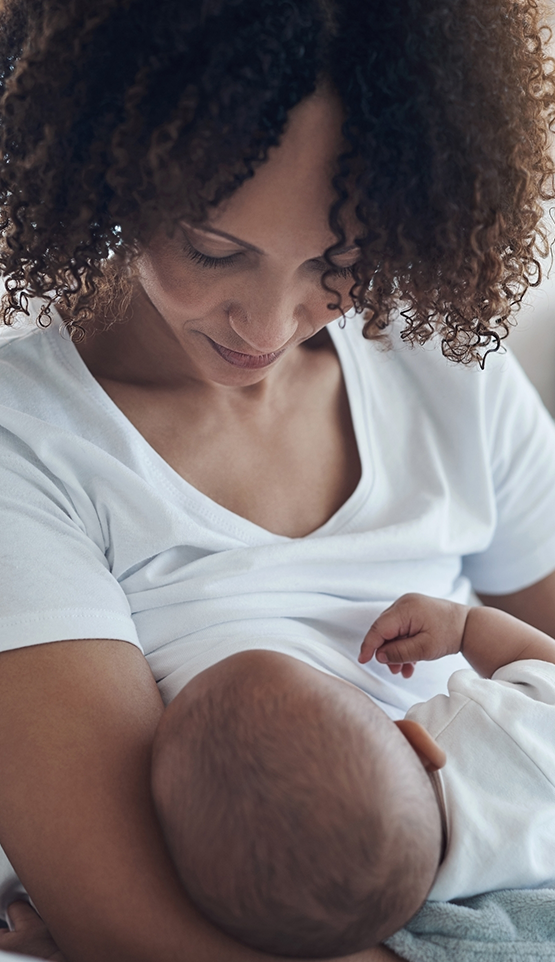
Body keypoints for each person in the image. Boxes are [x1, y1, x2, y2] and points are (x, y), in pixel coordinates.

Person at [0, 0, 554, 960]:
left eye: (338, 262)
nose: (265, 325)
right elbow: (125, 922)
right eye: (213, 251)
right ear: (105, 166)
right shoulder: (27, 442)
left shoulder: (439, 366)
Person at [149, 594, 555, 959]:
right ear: (416, 741)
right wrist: (463, 625)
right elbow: (540, 662)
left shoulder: (407, 899)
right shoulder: (496, 725)